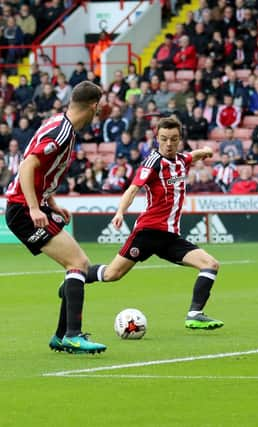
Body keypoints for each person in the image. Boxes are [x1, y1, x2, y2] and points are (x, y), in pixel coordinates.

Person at [84, 117, 224, 330]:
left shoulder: (180, 160)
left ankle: (194, 315)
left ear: (179, 139)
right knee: (112, 274)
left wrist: (205, 151)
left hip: (169, 237)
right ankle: (76, 277)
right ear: (157, 138)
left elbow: (192, 156)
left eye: (174, 139)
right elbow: (132, 189)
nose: (169, 144)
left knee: (210, 265)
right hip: (148, 233)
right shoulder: (152, 163)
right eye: (164, 139)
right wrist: (120, 211)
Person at [4, 81, 107, 354]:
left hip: (32, 204)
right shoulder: (62, 132)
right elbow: (28, 166)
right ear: (94, 106)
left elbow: (42, 173)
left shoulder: (61, 125)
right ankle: (72, 335)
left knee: (80, 264)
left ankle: (63, 335)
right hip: (23, 209)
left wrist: (52, 203)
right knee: (77, 263)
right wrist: (35, 208)